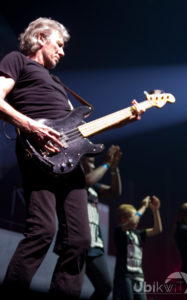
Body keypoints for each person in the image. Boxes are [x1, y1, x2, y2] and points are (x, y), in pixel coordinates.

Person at [0, 17, 144, 298]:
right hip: (39, 154)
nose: (63, 52)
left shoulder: (57, 83)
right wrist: (30, 126)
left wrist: (127, 118)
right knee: (42, 231)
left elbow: (80, 129)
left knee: (79, 240)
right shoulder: (17, 60)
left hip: (70, 161)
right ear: (41, 38)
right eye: (60, 44)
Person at [80, 144, 122, 300]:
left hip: (95, 245)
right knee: (70, 286)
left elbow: (115, 191)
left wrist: (114, 169)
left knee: (105, 287)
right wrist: (107, 164)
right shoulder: (75, 179)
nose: (93, 159)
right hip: (77, 241)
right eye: (89, 158)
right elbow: (88, 179)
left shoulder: (94, 188)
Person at [113, 195, 162, 300]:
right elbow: (133, 222)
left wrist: (155, 211)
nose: (138, 219)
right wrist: (144, 207)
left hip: (138, 276)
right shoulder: (119, 230)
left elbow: (157, 230)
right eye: (134, 215)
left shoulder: (138, 233)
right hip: (125, 276)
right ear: (123, 218)